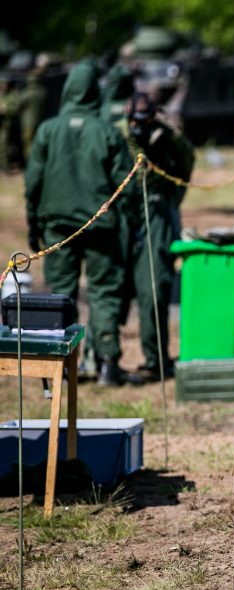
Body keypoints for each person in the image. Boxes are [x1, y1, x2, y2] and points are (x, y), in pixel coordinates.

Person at [24, 60, 141, 386]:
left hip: (57, 227)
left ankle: (59, 368)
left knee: (60, 294)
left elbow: (33, 182)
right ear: (94, 91)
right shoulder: (106, 131)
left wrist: (33, 223)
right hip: (101, 227)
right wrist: (131, 223)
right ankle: (107, 365)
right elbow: (126, 184)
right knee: (104, 292)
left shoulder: (48, 130)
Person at [124, 92, 194, 382]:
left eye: (146, 120)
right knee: (111, 291)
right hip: (121, 214)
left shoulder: (166, 138)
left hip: (155, 214)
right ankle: (101, 359)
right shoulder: (117, 134)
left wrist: (173, 196)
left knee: (153, 287)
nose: (139, 125)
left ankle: (155, 359)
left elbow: (187, 160)